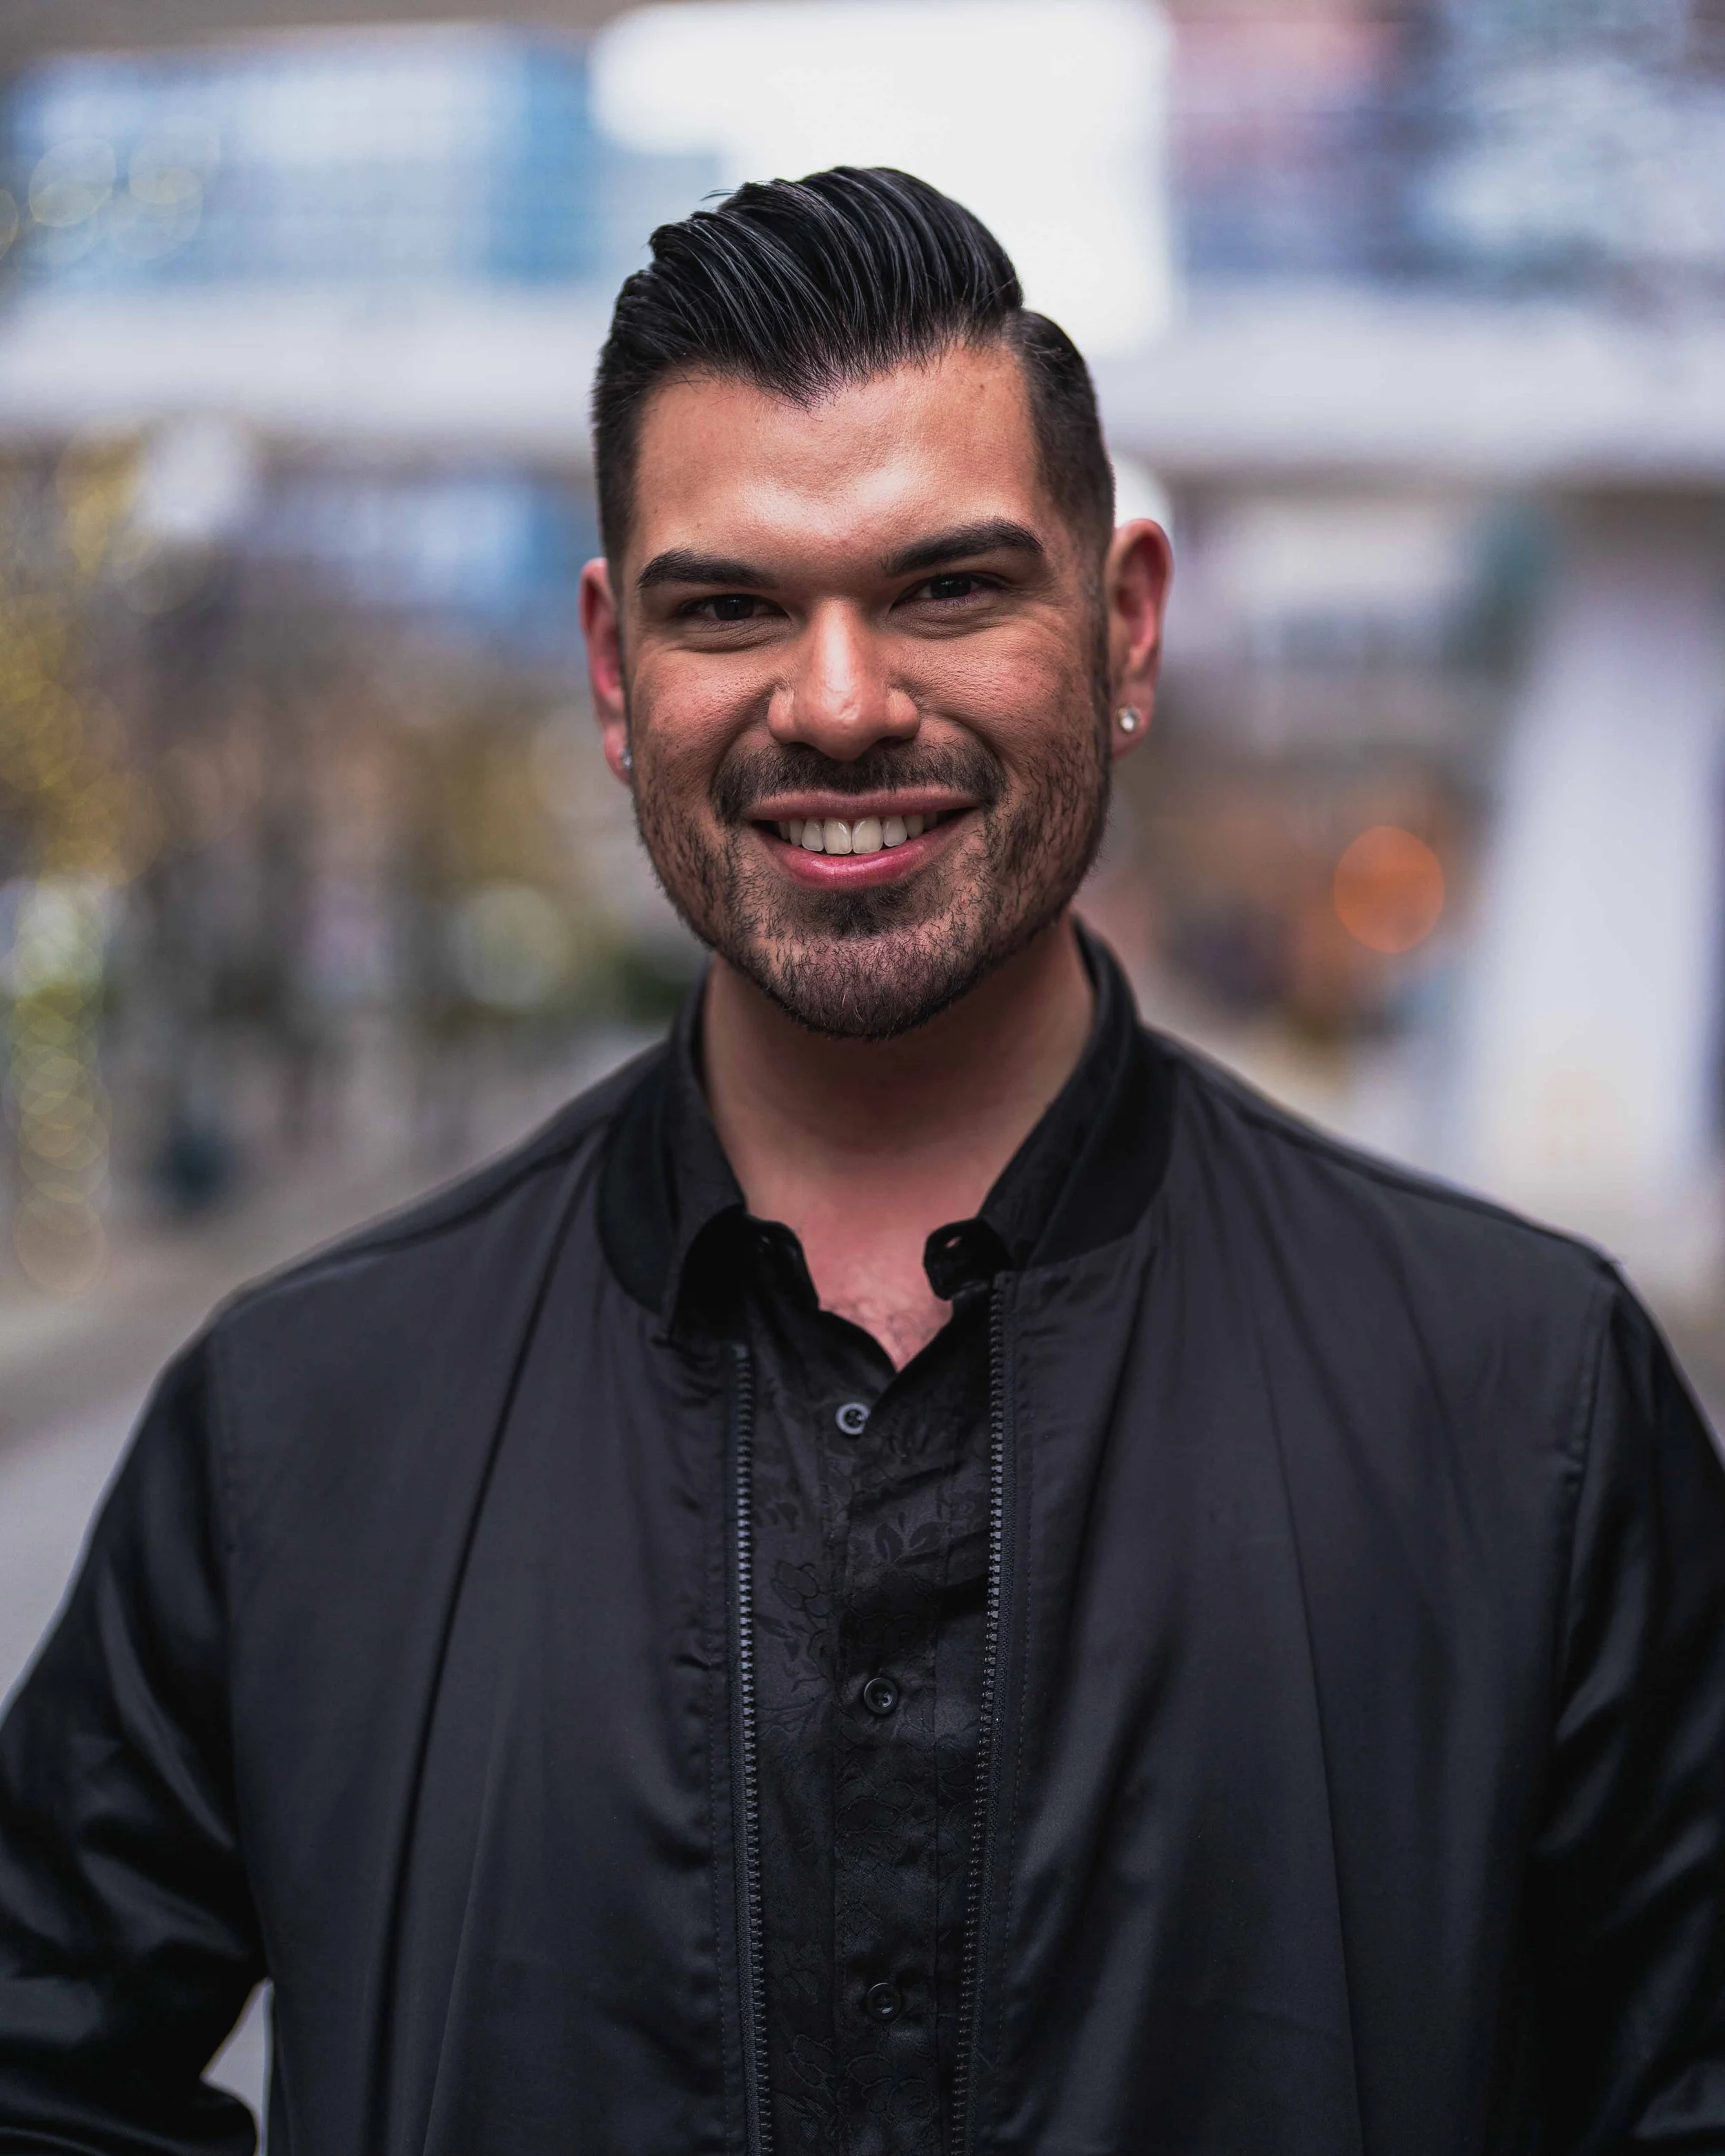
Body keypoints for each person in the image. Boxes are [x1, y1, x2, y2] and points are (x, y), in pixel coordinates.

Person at [1, 166, 1723, 2156]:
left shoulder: (1527, 1404)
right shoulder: (293, 1421)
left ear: (1125, 622)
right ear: (609, 671)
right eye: (729, 605)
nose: (836, 704)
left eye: (945, 588)